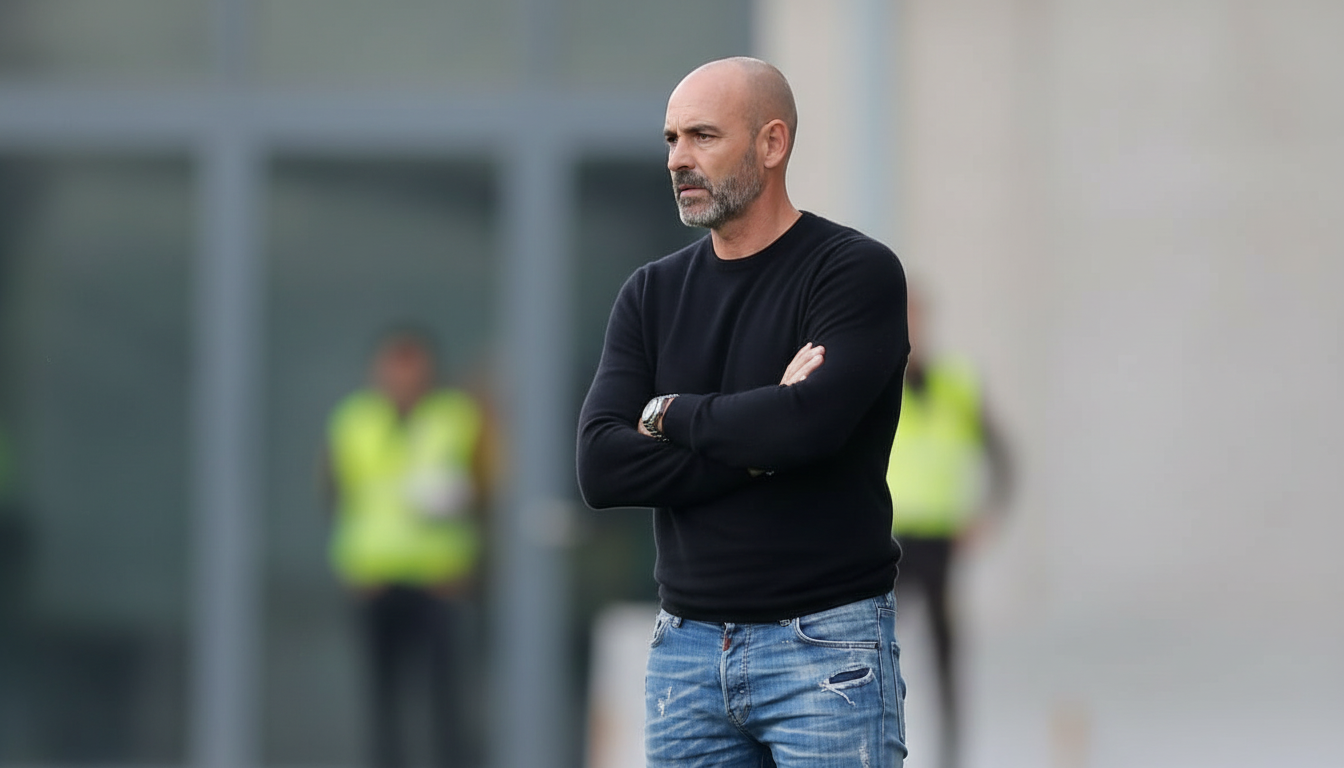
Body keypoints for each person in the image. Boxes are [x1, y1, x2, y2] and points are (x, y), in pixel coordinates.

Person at [576, 57, 910, 768]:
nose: (678, 159)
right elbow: (601, 468)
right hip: (686, 655)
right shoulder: (650, 293)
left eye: (702, 136)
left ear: (772, 143)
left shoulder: (853, 272)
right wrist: (763, 441)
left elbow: (809, 427)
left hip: (825, 647)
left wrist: (668, 413)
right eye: (671, 139)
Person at [324, 328, 489, 768]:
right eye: (395, 366)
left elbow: (485, 489)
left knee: (446, 699)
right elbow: (335, 491)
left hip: (439, 578)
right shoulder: (354, 420)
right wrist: (352, 564)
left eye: (412, 365)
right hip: (375, 577)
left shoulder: (457, 416)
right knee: (382, 699)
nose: (403, 377)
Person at [886, 292, 1012, 768]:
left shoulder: (955, 384)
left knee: (945, 660)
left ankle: (950, 757)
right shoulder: (875, 382)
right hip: (889, 542)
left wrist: (988, 512)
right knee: (873, 653)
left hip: (940, 540)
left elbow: (1001, 455)